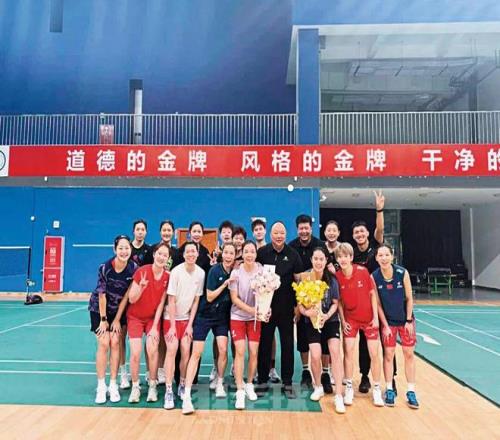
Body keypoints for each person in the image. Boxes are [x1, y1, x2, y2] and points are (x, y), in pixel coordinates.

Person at [182, 243, 236, 415]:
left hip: (221, 318)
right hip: (204, 315)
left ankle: (220, 382)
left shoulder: (235, 272)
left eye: (232, 253)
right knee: (196, 353)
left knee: (223, 349)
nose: (229, 256)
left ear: (235, 255)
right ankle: (186, 393)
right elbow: (210, 296)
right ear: (222, 254)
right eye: (226, 252)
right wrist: (225, 284)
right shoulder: (214, 271)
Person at [88, 235, 137, 404]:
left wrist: (116, 319)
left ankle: (113, 384)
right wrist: (104, 319)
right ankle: (101, 386)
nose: (124, 251)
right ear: (115, 249)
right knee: (104, 343)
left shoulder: (133, 268)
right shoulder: (105, 268)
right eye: (120, 248)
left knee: (115, 342)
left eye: (127, 248)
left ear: (131, 249)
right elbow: (101, 295)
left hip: (118, 310)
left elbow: (127, 296)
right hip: (99, 309)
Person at [352, 190, 392, 394]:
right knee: (363, 343)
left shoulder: (376, 246)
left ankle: (391, 380)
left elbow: (381, 228)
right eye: (356, 233)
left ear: (367, 233)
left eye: (362, 231)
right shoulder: (352, 253)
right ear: (353, 236)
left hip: (381, 300)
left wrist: (379, 209)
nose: (359, 235)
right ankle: (365, 376)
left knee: (386, 340)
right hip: (362, 304)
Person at [256, 221, 302, 399]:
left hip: (287, 308)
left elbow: (298, 281)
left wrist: (298, 306)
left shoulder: (293, 254)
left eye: (282, 233)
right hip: (266, 308)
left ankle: (287, 383)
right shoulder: (262, 252)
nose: (279, 236)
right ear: (270, 234)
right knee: (265, 344)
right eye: (276, 233)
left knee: (288, 345)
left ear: (286, 234)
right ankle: (262, 380)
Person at [335, 242, 384, 407]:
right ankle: (349, 387)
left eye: (345, 256)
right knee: (348, 352)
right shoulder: (337, 276)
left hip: (369, 319)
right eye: (339, 257)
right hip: (351, 320)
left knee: (374, 353)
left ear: (351, 257)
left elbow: (372, 294)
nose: (343, 259)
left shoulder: (363, 271)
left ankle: (376, 388)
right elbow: (339, 302)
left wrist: (375, 317)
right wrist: (343, 321)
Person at [297, 247, 345, 414]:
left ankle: (338, 395)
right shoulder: (305, 278)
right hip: (311, 322)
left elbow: (335, 303)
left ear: (326, 261)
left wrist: (327, 315)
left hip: (330, 321)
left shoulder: (332, 279)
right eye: (315, 259)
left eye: (321, 259)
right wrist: (307, 313)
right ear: (312, 260)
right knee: (316, 355)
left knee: (335, 353)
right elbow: (300, 305)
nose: (318, 262)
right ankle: (318, 386)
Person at [373, 244, 419, 409]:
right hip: (389, 323)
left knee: (408, 354)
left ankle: (411, 391)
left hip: (405, 320)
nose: (384, 258)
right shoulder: (374, 277)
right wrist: (385, 325)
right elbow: (378, 304)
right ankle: (389, 389)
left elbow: (409, 297)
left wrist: (408, 320)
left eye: (387, 255)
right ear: (376, 258)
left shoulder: (402, 273)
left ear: (392, 257)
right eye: (380, 255)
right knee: (388, 355)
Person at [126, 243, 170, 404]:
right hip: (135, 318)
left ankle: (152, 385)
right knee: (135, 352)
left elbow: (161, 304)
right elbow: (131, 299)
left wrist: (155, 327)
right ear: (154, 254)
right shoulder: (142, 272)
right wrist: (141, 288)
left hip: (152, 319)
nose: (161, 257)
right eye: (159, 254)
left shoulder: (167, 277)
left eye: (165, 255)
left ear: (168, 259)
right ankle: (135, 387)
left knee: (152, 349)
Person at [163, 241, 205, 410]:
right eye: (188, 251)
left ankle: (181, 384)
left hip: (187, 320)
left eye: (193, 251)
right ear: (184, 254)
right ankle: (168, 390)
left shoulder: (201, 273)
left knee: (186, 351)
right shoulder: (176, 272)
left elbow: (196, 301)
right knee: (172, 350)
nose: (191, 254)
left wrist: (189, 325)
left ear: (197, 253)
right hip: (171, 318)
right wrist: (173, 326)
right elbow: (171, 300)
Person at [288, 214, 326, 390]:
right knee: (303, 335)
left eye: (306, 228)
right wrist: (297, 305)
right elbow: (292, 277)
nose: (304, 231)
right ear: (297, 229)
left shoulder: (320, 245)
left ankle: (325, 373)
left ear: (311, 228)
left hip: (319, 298)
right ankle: (305, 370)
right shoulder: (291, 247)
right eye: (301, 228)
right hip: (300, 298)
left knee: (321, 335)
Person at [228, 240, 265, 410]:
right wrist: (251, 310)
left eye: (252, 251)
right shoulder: (236, 272)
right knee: (240, 351)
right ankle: (240, 389)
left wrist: (265, 310)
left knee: (254, 351)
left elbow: (267, 295)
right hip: (238, 316)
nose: (249, 254)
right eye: (246, 251)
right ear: (242, 254)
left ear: (256, 254)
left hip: (255, 319)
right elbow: (234, 298)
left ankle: (249, 383)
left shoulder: (262, 271)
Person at [252, 218, 280, 383]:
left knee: (271, 335)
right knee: (257, 336)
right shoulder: (252, 250)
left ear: (265, 231)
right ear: (253, 233)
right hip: (254, 298)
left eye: (261, 229)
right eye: (256, 230)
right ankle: (257, 368)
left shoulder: (270, 249)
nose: (259, 232)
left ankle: (272, 368)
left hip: (270, 298)